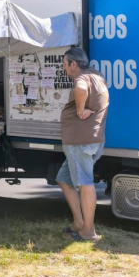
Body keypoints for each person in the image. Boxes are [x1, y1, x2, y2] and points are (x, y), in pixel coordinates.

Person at [58, 47, 109, 242]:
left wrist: (80, 111)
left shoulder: (82, 79)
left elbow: (80, 89)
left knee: (85, 184)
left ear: (74, 63)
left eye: (65, 64)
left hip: (80, 142)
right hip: (91, 140)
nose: (64, 68)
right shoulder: (97, 76)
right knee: (63, 179)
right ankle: (79, 223)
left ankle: (88, 231)